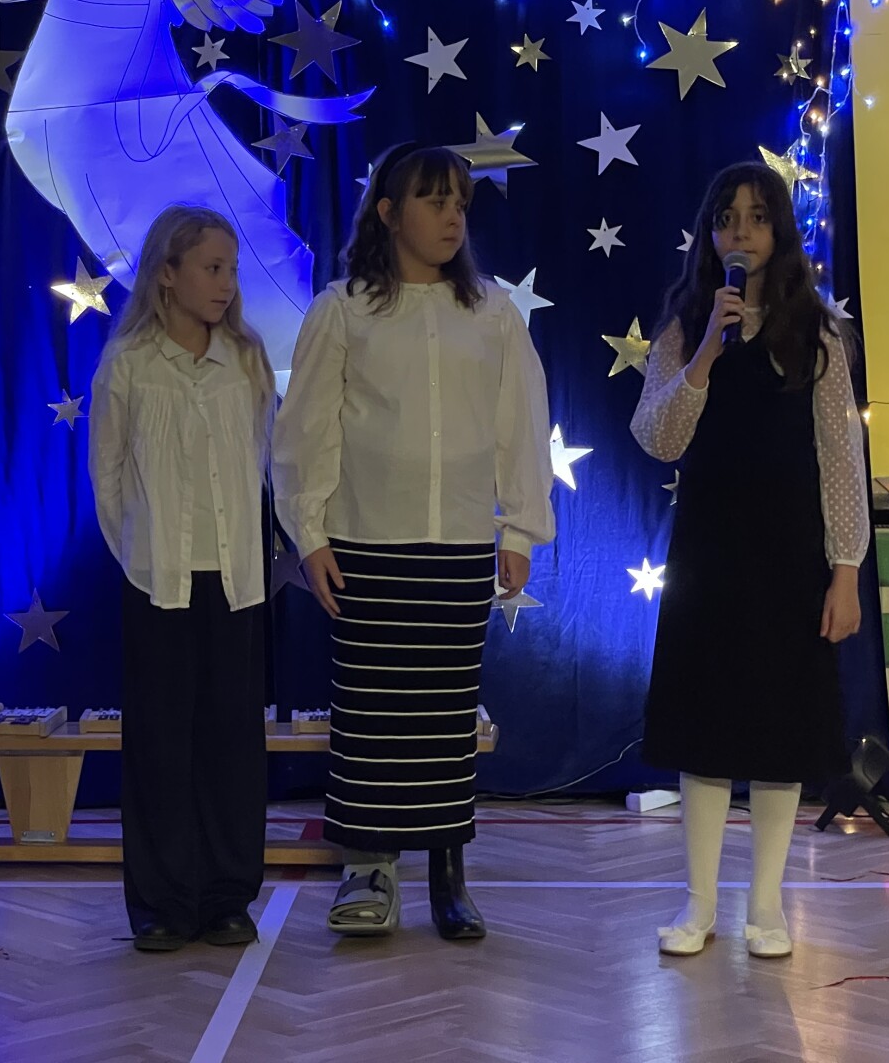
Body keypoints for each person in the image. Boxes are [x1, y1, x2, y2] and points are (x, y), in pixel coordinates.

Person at [272, 144, 555, 941]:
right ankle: (367, 868)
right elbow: (307, 430)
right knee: (371, 713)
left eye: (460, 202)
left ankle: (447, 876)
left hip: (458, 543)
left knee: (444, 715)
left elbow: (520, 422)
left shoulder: (491, 312)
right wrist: (310, 533)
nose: (452, 216)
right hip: (367, 543)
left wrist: (520, 526)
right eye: (434, 201)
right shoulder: (344, 309)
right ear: (390, 213)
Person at [631, 161, 870, 959]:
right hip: (710, 554)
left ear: (780, 231)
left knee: (779, 731)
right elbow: (658, 436)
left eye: (758, 218)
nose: (742, 232)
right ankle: (698, 903)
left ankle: (765, 905)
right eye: (727, 218)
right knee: (707, 727)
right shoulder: (685, 326)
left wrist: (845, 569)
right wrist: (706, 350)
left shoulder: (818, 332)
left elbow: (840, 460)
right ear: (710, 233)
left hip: (789, 557)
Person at [89, 204, 276, 952]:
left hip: (236, 582)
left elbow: (263, 462)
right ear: (167, 274)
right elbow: (108, 480)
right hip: (158, 582)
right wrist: (145, 555)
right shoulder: (129, 366)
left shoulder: (247, 364)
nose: (226, 284)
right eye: (211, 268)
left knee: (232, 740)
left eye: (231, 270)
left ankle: (228, 895)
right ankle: (162, 903)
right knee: (161, 743)